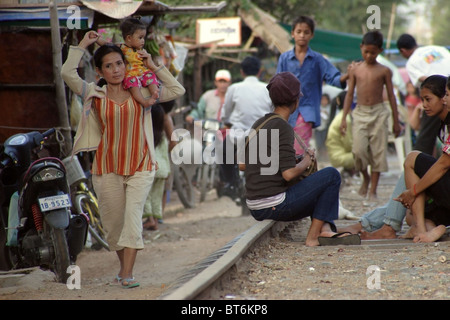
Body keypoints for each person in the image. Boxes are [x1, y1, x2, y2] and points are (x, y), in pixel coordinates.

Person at [61, 31, 185, 288]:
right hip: (107, 168)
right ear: (99, 72)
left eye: (120, 64)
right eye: (109, 66)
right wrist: (82, 44)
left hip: (141, 164)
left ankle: (127, 274)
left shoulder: (140, 92)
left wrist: (154, 66)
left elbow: (176, 89)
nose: (116, 70)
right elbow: (67, 74)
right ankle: (123, 268)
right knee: (114, 226)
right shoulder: (94, 93)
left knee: (132, 219)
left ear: (126, 66)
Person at [240, 72, 360, 247]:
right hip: (274, 204)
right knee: (332, 176)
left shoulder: (258, 123)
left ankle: (325, 228)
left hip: (255, 206)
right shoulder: (283, 126)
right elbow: (288, 175)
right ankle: (312, 237)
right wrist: (307, 159)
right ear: (296, 101)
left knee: (319, 188)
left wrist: (290, 160)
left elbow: (243, 165)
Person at [340, 30, 401, 201]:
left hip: (379, 113)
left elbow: (391, 96)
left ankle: (373, 190)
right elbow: (350, 94)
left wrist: (396, 122)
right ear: (361, 48)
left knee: (378, 152)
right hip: (360, 113)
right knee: (358, 151)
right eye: (366, 51)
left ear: (380, 51)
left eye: (373, 52)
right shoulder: (356, 70)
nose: (369, 55)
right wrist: (344, 118)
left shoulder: (384, 71)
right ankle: (365, 177)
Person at [276, 16, 349, 154]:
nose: (302, 35)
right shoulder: (284, 58)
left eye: (306, 32)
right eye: (299, 32)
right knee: (285, 149)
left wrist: (347, 75)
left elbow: (333, 77)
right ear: (292, 34)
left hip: (307, 110)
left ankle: (298, 172)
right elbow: (277, 84)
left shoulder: (317, 59)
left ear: (312, 35)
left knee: (298, 148)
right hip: (286, 111)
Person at [394, 75, 450, 243]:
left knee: (412, 158)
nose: (424, 105)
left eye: (446, 95)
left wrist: (414, 191)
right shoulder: (442, 126)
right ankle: (431, 229)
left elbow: (444, 164)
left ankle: (421, 226)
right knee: (410, 215)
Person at [220, 56, 272, 197]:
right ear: (260, 72)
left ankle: (230, 183)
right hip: (263, 136)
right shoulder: (267, 89)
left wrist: (226, 122)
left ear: (242, 72)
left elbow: (226, 113)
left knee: (224, 151)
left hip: (238, 135)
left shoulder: (234, 89)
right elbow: (272, 112)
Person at [397, 34, 450, 155]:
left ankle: (418, 165)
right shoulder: (439, 49)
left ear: (403, 51)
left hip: (440, 91)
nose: (425, 104)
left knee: (425, 140)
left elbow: (429, 81)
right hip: (447, 87)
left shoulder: (411, 62)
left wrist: (442, 90)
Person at [96, 17, 160, 108]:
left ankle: (155, 93)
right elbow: (107, 45)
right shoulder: (122, 48)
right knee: (133, 85)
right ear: (129, 38)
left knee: (151, 75)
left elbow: (148, 64)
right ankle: (143, 101)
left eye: (143, 38)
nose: (143, 41)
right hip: (131, 75)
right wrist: (97, 39)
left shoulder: (142, 50)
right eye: (140, 38)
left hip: (142, 72)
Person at [143, 103, 172, 231]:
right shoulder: (163, 138)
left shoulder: (147, 136)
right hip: (163, 170)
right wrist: (168, 172)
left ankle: (149, 220)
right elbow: (165, 156)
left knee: (146, 196)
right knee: (157, 196)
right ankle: (155, 221)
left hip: (151, 169)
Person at [325, 91, 355, 177]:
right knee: (365, 155)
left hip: (336, 156)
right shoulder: (345, 120)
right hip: (339, 158)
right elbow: (348, 144)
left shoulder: (341, 116)